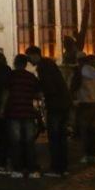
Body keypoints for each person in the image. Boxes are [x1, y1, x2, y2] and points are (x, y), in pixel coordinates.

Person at [28, 45, 71, 178]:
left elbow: (49, 86)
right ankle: (62, 167)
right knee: (61, 137)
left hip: (55, 105)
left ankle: (56, 168)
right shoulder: (50, 64)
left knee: (54, 136)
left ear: (35, 55)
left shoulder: (43, 67)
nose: (29, 61)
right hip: (63, 104)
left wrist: (39, 91)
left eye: (29, 57)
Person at [2, 53, 43, 179]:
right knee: (29, 142)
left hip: (14, 112)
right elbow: (39, 94)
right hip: (28, 112)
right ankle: (31, 169)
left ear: (15, 63)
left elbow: (6, 94)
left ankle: (18, 169)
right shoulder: (31, 77)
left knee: (16, 142)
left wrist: (2, 109)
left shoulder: (11, 76)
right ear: (25, 64)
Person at [73, 54, 95, 163]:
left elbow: (75, 85)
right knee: (93, 130)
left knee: (84, 130)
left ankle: (86, 154)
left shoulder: (81, 70)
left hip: (84, 103)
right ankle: (94, 153)